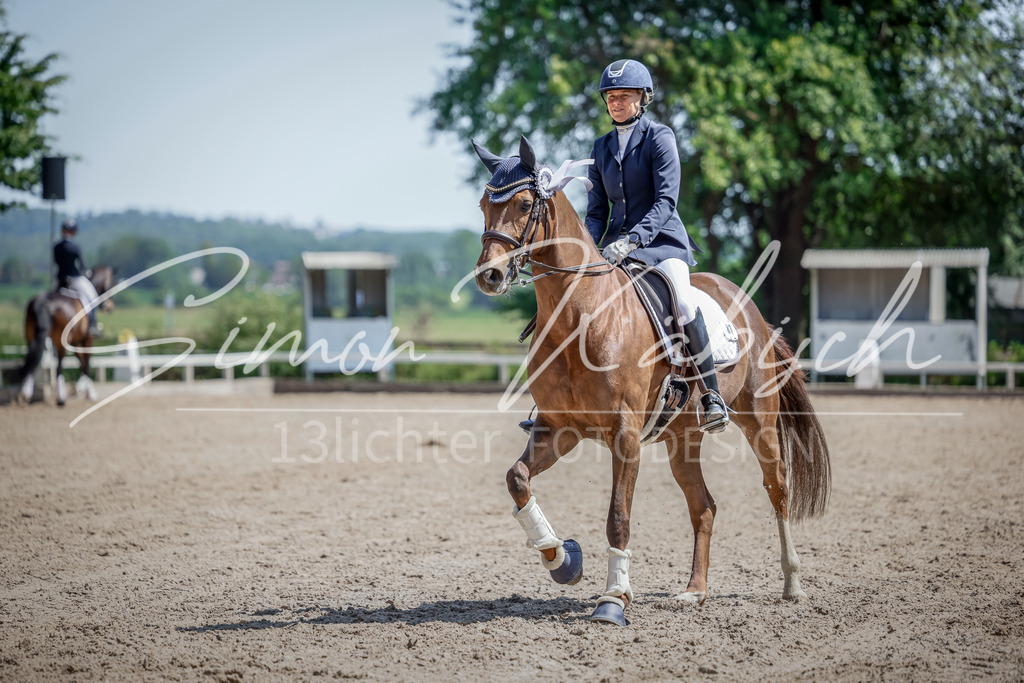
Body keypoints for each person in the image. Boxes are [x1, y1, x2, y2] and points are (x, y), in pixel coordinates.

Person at [585, 58, 728, 433]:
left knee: (682, 301)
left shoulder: (659, 137)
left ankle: (712, 395)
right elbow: (598, 211)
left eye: (624, 96)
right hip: (614, 248)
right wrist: (587, 245)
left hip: (661, 243)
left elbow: (666, 202)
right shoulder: (600, 147)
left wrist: (633, 240)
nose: (616, 102)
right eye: (611, 96)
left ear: (643, 98)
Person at [53, 218, 102, 337]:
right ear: (74, 232)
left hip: (60, 279)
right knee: (93, 298)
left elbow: (57, 262)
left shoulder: (56, 247)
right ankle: (92, 325)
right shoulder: (75, 247)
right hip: (75, 279)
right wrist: (88, 273)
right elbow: (83, 266)